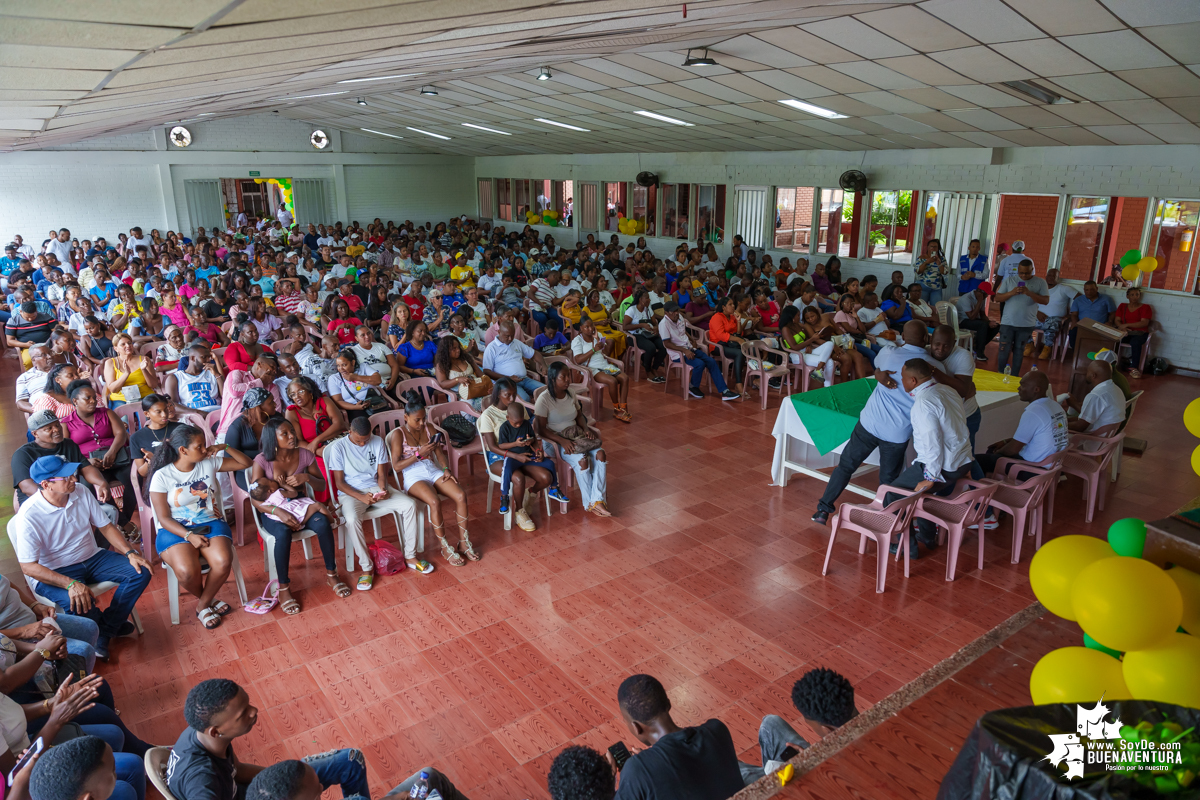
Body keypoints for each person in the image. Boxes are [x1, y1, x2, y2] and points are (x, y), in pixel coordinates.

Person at [11, 455, 153, 661]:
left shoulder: (80, 492)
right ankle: (104, 627)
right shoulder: (29, 515)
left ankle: (104, 629)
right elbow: (28, 567)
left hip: (92, 557)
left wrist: (130, 553)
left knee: (141, 570)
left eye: (72, 475)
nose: (74, 480)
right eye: (65, 477)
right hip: (54, 571)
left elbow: (105, 526)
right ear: (45, 484)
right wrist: (70, 584)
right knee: (77, 600)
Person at [812, 321, 946, 525]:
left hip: (870, 422)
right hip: (897, 432)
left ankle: (823, 509)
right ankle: (887, 523)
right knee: (888, 482)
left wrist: (878, 374)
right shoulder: (933, 367)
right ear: (926, 339)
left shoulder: (889, 353)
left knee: (846, 465)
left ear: (902, 335)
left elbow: (877, 367)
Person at [167, 679, 368, 800]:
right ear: (215, 731)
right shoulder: (201, 781)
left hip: (259, 791)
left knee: (351, 761)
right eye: (243, 714)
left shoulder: (205, 736)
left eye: (248, 704)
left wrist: (277, 779)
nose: (254, 711)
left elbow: (237, 769)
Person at [145, 426, 252, 630]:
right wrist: (189, 535)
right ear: (183, 450)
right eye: (199, 446)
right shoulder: (162, 476)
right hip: (175, 528)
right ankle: (209, 600)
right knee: (186, 572)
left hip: (209, 521)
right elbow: (163, 518)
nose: (205, 450)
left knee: (222, 561)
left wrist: (224, 446)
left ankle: (203, 604)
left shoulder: (208, 463)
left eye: (205, 445)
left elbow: (246, 463)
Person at [249, 417, 348, 613]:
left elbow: (322, 485)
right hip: (272, 510)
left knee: (321, 524)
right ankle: (284, 588)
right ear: (273, 439)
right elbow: (255, 499)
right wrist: (279, 512)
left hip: (299, 503)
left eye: (292, 431)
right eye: (285, 434)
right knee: (283, 533)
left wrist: (307, 477)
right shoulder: (262, 461)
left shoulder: (304, 455)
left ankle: (332, 574)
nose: (292, 436)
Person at [885, 359, 975, 559]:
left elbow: (932, 443)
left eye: (903, 378)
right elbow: (961, 426)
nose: (901, 381)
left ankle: (907, 548)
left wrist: (931, 477)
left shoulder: (923, 403)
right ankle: (928, 537)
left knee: (891, 495)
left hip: (944, 467)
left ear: (913, 380)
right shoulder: (948, 390)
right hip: (962, 462)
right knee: (920, 496)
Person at [325, 416, 427, 590]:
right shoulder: (338, 448)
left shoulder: (378, 441)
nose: (364, 444)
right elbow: (340, 483)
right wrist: (361, 497)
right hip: (350, 493)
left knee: (410, 505)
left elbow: (381, 474)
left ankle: (410, 556)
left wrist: (383, 489)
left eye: (366, 440)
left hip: (374, 488)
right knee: (351, 519)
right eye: (359, 441)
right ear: (350, 432)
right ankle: (367, 567)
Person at [611, 674, 744, 800]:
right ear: (668, 704)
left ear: (636, 727)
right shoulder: (717, 730)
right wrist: (646, 763)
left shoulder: (637, 770)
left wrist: (610, 779)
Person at [388, 395, 476, 567]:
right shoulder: (398, 435)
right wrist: (418, 454)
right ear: (405, 417)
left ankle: (464, 542)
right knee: (434, 502)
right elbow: (396, 466)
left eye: (423, 419)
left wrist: (445, 469)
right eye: (417, 420)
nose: (421, 423)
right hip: (412, 475)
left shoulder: (429, 428)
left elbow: (439, 454)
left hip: (431, 469)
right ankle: (444, 546)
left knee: (460, 495)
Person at [62, 381, 139, 536]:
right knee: (87, 487)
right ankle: (124, 523)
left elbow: (120, 434)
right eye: (87, 398)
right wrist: (86, 462)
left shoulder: (106, 413)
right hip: (90, 464)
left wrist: (111, 452)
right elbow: (67, 450)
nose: (93, 401)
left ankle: (125, 518)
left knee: (135, 479)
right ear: (75, 401)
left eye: (94, 398)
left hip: (117, 457)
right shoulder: (66, 423)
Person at [479, 379, 554, 532]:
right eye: (508, 395)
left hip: (523, 453)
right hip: (499, 456)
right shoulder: (488, 415)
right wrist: (515, 456)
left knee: (547, 477)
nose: (512, 399)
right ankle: (520, 511)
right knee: (518, 477)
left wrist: (536, 450)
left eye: (514, 395)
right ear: (498, 395)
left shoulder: (518, 409)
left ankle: (529, 494)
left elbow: (529, 435)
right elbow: (492, 447)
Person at [975, 370, 1067, 478]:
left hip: (1033, 469)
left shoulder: (1034, 412)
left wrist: (997, 453)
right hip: (1052, 464)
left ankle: (985, 490)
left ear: (1036, 389)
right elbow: (1029, 437)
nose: (1018, 389)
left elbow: (1012, 450)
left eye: (1023, 385)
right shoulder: (1055, 405)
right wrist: (1005, 442)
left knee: (977, 461)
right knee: (993, 451)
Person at [495, 403, 567, 516]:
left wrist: (537, 450)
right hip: (513, 457)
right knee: (507, 469)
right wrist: (516, 444)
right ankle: (504, 497)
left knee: (549, 464)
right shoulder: (504, 427)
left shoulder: (526, 424)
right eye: (515, 423)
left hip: (529, 456)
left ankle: (554, 488)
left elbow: (533, 439)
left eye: (520, 421)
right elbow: (501, 446)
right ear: (508, 418)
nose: (519, 425)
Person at [658, 301, 739, 401]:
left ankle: (725, 391)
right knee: (699, 364)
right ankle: (692, 386)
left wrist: (692, 340)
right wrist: (684, 350)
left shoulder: (679, 318)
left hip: (689, 349)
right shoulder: (663, 324)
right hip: (678, 354)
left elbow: (682, 331)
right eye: (673, 311)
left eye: (677, 310)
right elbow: (666, 343)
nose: (676, 313)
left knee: (711, 361)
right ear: (666, 313)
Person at [930, 326, 981, 452]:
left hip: (965, 416)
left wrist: (932, 370)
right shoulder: (924, 352)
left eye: (946, 345)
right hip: (943, 418)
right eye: (937, 344)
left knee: (966, 461)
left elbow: (962, 391)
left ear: (954, 343)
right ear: (930, 340)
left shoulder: (963, 356)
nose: (941, 349)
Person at [994, 259, 1048, 376]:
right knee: (1004, 349)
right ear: (1017, 270)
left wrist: (1030, 293)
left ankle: (1014, 376)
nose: (1023, 275)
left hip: (1026, 324)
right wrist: (1011, 293)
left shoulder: (1040, 282)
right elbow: (997, 298)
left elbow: (1046, 300)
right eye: (1021, 272)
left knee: (1019, 351)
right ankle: (999, 374)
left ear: (1032, 270)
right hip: (1008, 322)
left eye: (1027, 273)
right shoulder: (1009, 280)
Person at [572, 317, 632, 422]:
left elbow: (604, 351)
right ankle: (616, 409)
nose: (590, 329)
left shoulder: (598, 335)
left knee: (624, 378)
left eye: (591, 326)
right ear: (581, 329)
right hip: (591, 368)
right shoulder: (577, 340)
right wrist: (593, 349)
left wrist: (598, 340)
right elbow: (578, 360)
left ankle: (623, 408)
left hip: (604, 365)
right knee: (612, 381)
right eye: (587, 327)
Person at [481, 320, 546, 401]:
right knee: (525, 399)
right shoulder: (491, 348)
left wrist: (543, 365)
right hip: (507, 383)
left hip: (524, 379)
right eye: (507, 336)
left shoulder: (516, 343)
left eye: (512, 335)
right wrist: (508, 378)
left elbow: (534, 354)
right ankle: (530, 413)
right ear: (499, 332)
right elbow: (487, 371)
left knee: (546, 390)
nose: (510, 338)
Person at [1065, 360, 1125, 434]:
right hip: (1109, 436)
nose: (1086, 374)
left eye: (1087, 371)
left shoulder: (1096, 395)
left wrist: (1057, 425)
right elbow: (1088, 418)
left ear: (1093, 375)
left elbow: (1080, 427)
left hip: (1094, 439)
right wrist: (1064, 420)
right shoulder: (1116, 389)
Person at [621, 290, 667, 383]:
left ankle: (655, 368)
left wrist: (655, 329)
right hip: (634, 335)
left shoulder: (648, 309)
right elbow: (625, 327)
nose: (649, 300)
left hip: (647, 334)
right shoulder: (632, 310)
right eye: (647, 298)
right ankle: (648, 371)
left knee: (664, 345)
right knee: (651, 348)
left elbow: (655, 323)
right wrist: (641, 325)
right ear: (640, 299)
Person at [1031, 268, 1076, 360]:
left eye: (1054, 276)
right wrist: (1036, 312)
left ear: (1058, 278)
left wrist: (1071, 314)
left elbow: (1080, 299)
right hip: (1037, 317)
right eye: (1049, 275)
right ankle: (1029, 345)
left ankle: (1047, 348)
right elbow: (1029, 302)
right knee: (1022, 322)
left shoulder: (1064, 289)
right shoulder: (1039, 288)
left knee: (1052, 324)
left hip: (1055, 319)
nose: (1051, 278)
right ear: (1046, 277)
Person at [1114, 286, 1152, 378]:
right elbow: (1117, 320)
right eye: (1132, 295)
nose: (1135, 297)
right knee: (1113, 339)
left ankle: (1134, 368)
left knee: (1135, 342)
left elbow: (1144, 323)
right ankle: (1110, 364)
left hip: (1140, 333)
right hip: (1125, 332)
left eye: (1137, 295)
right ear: (1127, 296)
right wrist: (1122, 328)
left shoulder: (1145, 307)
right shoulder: (1123, 306)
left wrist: (1126, 325)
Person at [955, 283, 998, 361]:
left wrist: (989, 322)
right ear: (979, 292)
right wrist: (979, 301)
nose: (986, 296)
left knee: (996, 326)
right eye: (985, 294)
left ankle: (976, 346)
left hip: (973, 319)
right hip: (962, 321)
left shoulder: (982, 298)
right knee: (983, 325)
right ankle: (979, 352)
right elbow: (972, 317)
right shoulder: (966, 298)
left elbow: (982, 315)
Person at [8, 302, 57, 368]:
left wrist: (51, 341)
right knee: (29, 361)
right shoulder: (13, 321)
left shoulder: (45, 316)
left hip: (48, 345)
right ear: (20, 311)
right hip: (28, 347)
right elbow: (9, 341)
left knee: (57, 357)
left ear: (36, 311)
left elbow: (56, 332)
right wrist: (25, 344)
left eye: (33, 316)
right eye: (27, 317)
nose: (30, 319)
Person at [915, 239, 948, 303]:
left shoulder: (942, 259)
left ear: (938, 248)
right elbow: (918, 271)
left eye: (935, 247)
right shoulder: (921, 258)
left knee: (936, 307)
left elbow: (945, 272)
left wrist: (939, 263)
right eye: (931, 246)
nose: (933, 248)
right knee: (922, 306)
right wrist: (926, 262)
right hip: (923, 286)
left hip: (937, 287)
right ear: (928, 247)